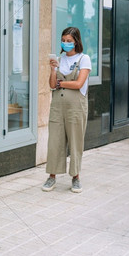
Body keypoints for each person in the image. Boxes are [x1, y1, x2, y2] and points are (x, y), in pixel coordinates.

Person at [43, 27, 91, 193]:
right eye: (64, 40)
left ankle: (76, 177)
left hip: (76, 107)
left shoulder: (84, 59)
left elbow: (78, 84)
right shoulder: (59, 59)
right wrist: (53, 69)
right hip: (57, 106)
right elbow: (51, 85)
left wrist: (61, 84)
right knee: (54, 141)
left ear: (76, 41)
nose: (66, 43)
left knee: (76, 141)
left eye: (69, 41)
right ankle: (52, 176)